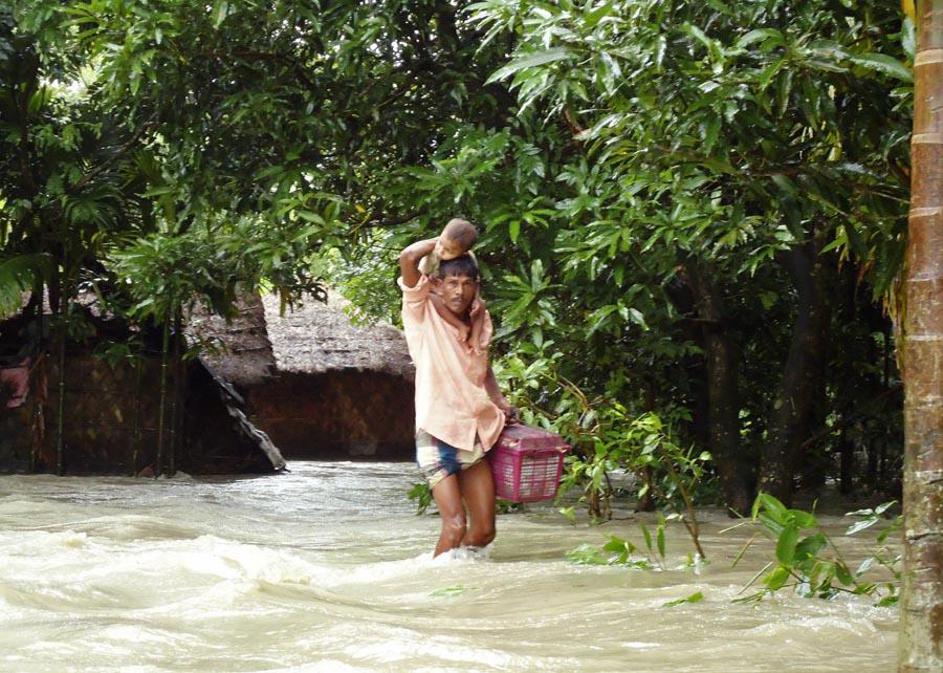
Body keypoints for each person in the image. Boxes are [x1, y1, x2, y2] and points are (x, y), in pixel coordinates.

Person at [398, 230, 514, 557]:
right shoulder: (422, 313)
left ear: (476, 286)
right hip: (437, 432)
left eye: (466, 283)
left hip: (475, 433)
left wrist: (499, 399)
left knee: (485, 531)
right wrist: (446, 243)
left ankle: (459, 578)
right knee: (455, 525)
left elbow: (482, 365)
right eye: (451, 282)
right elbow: (408, 258)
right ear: (436, 283)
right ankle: (434, 587)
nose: (459, 290)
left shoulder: (481, 318)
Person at [419, 218, 489, 353]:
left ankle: (475, 337)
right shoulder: (431, 255)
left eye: (448, 251)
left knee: (481, 305)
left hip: (456, 288)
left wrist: (476, 297)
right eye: (440, 243)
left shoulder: (469, 257)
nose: (441, 251)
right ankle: (460, 326)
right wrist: (435, 288)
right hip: (436, 290)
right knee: (434, 300)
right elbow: (421, 280)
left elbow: (476, 280)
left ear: (463, 253)